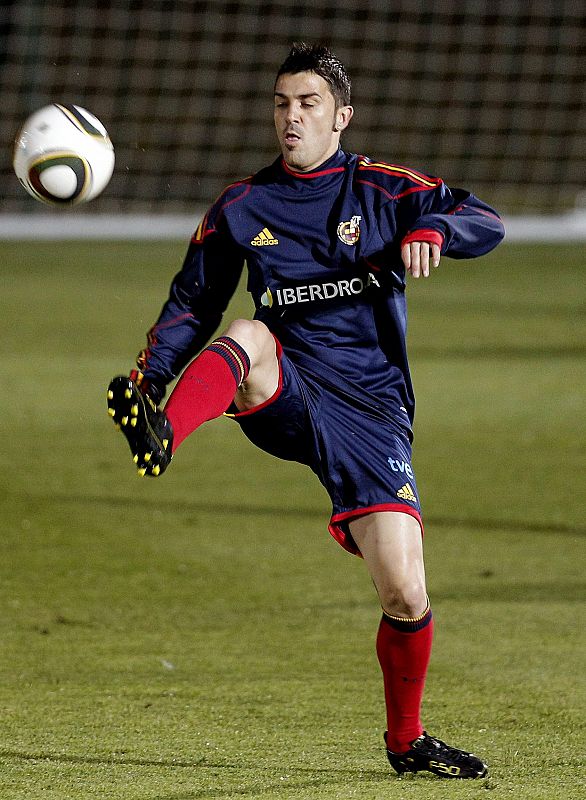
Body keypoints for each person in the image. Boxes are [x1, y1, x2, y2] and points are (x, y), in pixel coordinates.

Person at [107, 42, 504, 779]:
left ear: (341, 116)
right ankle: (163, 435)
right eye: (282, 103)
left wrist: (435, 230)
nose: (292, 117)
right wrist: (151, 380)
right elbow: (194, 302)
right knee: (248, 332)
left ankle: (406, 742)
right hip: (285, 386)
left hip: (372, 409)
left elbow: (483, 217)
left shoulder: (382, 190)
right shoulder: (241, 205)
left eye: (309, 104)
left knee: (405, 591)